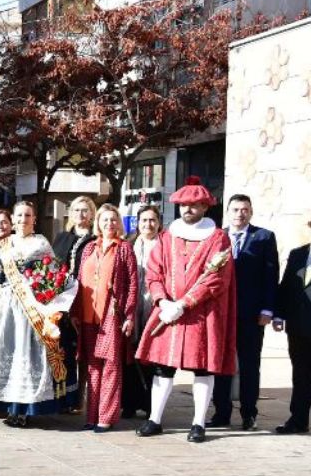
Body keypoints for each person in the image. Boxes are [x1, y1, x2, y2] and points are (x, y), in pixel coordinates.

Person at [135, 180, 236, 444]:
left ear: (204, 206)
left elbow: (216, 279)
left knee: (201, 369)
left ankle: (198, 423)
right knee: (163, 368)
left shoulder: (218, 238)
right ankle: (154, 419)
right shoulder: (167, 236)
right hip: (168, 313)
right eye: (183, 205)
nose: (187, 209)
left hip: (202, 315)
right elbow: (154, 272)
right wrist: (162, 302)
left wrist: (184, 303)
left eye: (193, 205)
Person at [0, 201, 67, 427]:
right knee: (4, 352)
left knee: (24, 353)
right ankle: (10, 406)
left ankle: (23, 410)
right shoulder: (5, 243)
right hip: (3, 305)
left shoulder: (40, 243)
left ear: (34, 219)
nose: (23, 219)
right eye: (19, 216)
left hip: (27, 307)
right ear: (13, 219)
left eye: (27, 215)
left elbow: (51, 275)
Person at [211, 193, 279, 431]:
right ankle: (221, 412)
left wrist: (268, 309)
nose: (240, 213)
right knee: (220, 364)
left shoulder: (264, 237)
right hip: (221, 315)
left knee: (250, 365)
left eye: (245, 210)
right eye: (236, 209)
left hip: (251, 314)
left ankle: (249, 413)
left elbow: (271, 276)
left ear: (250, 212)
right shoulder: (217, 237)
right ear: (227, 212)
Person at [72, 204, 138, 433]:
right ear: (97, 222)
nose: (109, 224)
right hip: (89, 314)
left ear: (118, 223)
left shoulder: (124, 249)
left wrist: (129, 315)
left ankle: (106, 417)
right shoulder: (90, 248)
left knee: (110, 366)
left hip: (112, 314)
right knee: (92, 368)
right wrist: (75, 312)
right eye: (104, 220)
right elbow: (80, 281)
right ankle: (91, 416)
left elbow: (132, 284)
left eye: (113, 220)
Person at [51, 196, 98, 415]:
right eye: (77, 209)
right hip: (60, 301)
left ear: (91, 214)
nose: (81, 214)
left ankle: (79, 399)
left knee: (82, 352)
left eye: (85, 210)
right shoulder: (61, 238)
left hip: (85, 299)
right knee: (62, 349)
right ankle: (61, 397)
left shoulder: (95, 240)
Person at [273, 209, 311, 435]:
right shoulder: (298, 254)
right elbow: (286, 286)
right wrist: (279, 314)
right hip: (298, 327)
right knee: (301, 374)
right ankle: (298, 420)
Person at [122, 205, 162, 420]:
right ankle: (129, 403)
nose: (148, 224)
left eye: (152, 220)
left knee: (151, 357)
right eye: (144, 220)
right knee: (130, 356)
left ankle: (150, 404)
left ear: (159, 223)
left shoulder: (164, 246)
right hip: (132, 305)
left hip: (153, 305)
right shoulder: (129, 244)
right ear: (137, 223)